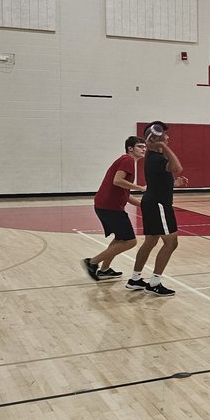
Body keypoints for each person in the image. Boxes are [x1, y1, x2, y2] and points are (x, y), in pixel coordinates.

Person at [128, 122, 185, 295]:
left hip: (151, 202)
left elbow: (162, 179)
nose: (168, 138)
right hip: (159, 205)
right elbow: (177, 167)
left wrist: (174, 183)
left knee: (151, 241)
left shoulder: (153, 159)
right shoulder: (157, 158)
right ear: (156, 139)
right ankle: (154, 283)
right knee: (171, 242)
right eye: (165, 136)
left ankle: (135, 279)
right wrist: (162, 146)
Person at [84, 135, 147, 281]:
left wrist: (143, 205)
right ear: (130, 148)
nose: (143, 149)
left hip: (105, 205)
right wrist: (140, 188)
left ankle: (104, 269)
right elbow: (118, 181)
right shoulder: (128, 160)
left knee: (120, 239)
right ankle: (92, 262)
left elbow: (124, 193)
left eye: (144, 147)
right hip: (110, 207)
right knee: (131, 241)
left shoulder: (126, 161)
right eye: (140, 146)